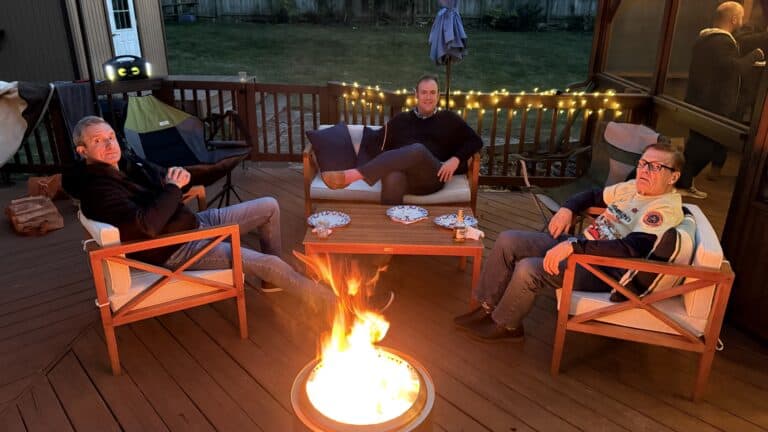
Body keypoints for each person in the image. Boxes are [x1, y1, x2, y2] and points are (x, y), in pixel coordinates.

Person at [63, 116, 392, 311]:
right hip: (177, 248)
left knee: (269, 206)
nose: (109, 144)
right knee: (268, 261)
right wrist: (172, 189)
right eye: (98, 141)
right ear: (83, 151)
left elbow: (160, 182)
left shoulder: (124, 165)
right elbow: (147, 225)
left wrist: (169, 178)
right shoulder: (97, 189)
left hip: (192, 224)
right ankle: (344, 307)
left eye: (110, 137)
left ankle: (271, 282)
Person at [454, 143, 685, 342]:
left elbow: (633, 247)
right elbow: (592, 195)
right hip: (582, 246)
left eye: (655, 167)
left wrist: (574, 247)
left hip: (603, 269)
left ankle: (507, 326)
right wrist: (567, 208)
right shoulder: (633, 188)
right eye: (643, 163)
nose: (645, 170)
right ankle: (486, 307)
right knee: (508, 239)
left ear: (673, 176)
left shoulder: (663, 208)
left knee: (529, 268)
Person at [320, 74, 483, 204]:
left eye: (432, 93)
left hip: (432, 177)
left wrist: (455, 160)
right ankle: (388, 237)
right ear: (416, 94)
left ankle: (353, 176)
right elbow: (376, 143)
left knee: (418, 149)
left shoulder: (448, 118)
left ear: (438, 95)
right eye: (424, 92)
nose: (428, 97)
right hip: (405, 178)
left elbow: (475, 141)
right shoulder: (401, 120)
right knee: (392, 177)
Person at [677, 1, 765, 198]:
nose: (743, 21)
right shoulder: (721, 42)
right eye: (741, 17)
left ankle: (685, 182)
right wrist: (754, 57)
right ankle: (682, 183)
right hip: (712, 106)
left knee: (696, 147)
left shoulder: (705, 40)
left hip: (700, 102)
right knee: (704, 149)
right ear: (734, 19)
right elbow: (733, 69)